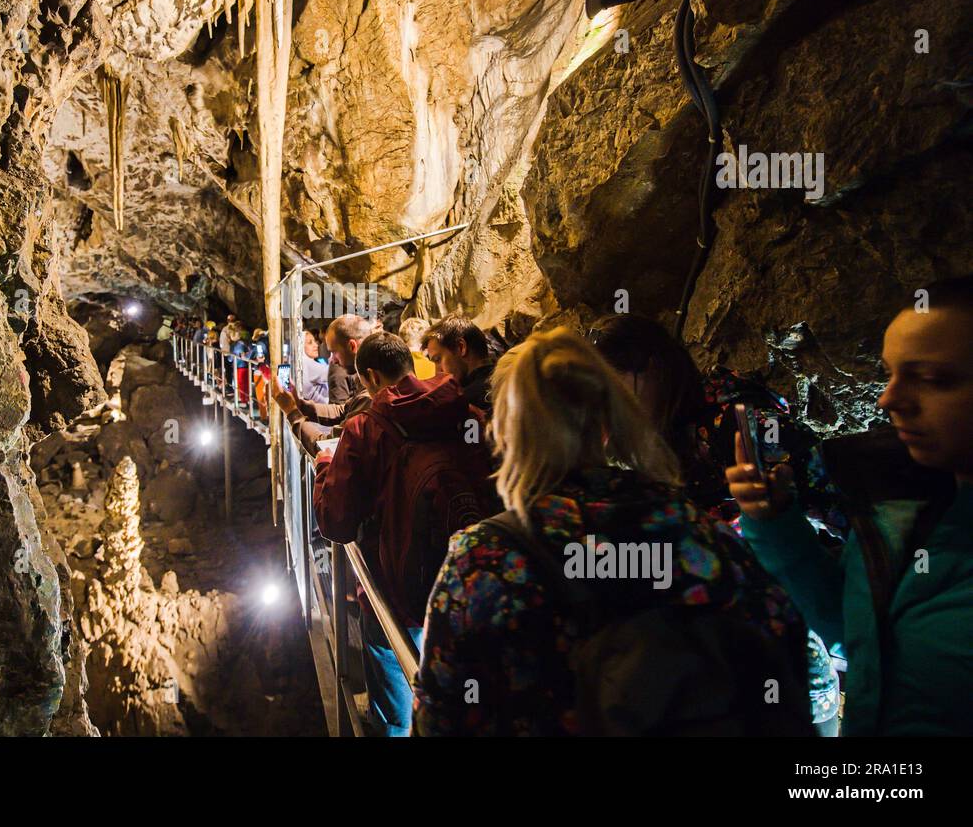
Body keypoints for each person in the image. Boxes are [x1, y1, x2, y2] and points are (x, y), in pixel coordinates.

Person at [413, 327, 810, 736]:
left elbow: (439, 716)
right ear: (607, 423)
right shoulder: (700, 533)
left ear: (506, 433)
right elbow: (782, 640)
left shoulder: (482, 562)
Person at [727, 276, 973, 736]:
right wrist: (777, 524)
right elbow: (855, 632)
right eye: (890, 373)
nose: (888, 399)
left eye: (934, 379)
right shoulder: (899, 508)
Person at [588, 312, 845, 732]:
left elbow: (832, 501)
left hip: (789, 658)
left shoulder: (740, 421)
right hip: (720, 665)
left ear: (652, 369)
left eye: (615, 390)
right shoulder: (657, 439)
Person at [313, 331, 491, 736]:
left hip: (400, 588)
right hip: (469, 580)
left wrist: (326, 465)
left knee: (391, 666)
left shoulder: (365, 428)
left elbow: (336, 521)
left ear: (372, 376)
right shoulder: (461, 408)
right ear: (412, 364)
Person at [273, 315, 374, 456]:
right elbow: (344, 410)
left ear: (352, 346)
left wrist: (292, 412)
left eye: (333, 352)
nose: (332, 360)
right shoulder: (368, 383)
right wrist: (300, 405)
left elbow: (329, 447)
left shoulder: (371, 394)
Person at [424, 315, 495, 412]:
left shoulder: (463, 404)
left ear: (461, 347)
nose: (437, 372)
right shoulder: (512, 378)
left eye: (437, 359)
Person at [298, 329, 330, 403]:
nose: (316, 345)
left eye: (314, 341)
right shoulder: (306, 363)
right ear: (301, 346)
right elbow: (332, 373)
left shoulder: (304, 362)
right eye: (310, 343)